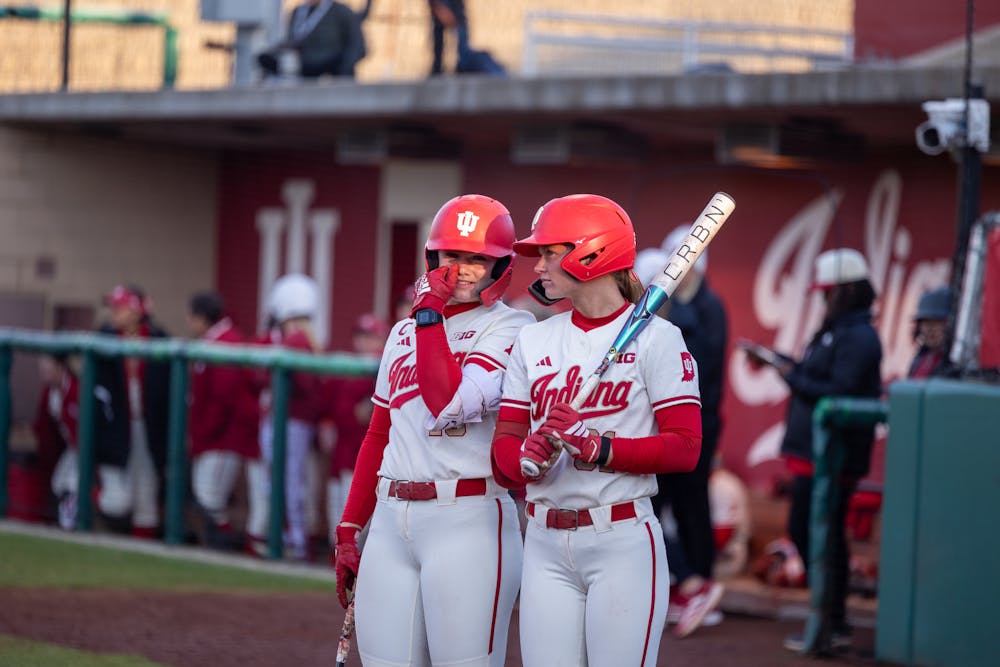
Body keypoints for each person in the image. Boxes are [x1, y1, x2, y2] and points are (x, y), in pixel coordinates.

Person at [490, 194, 703, 666]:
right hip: (543, 540)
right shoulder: (534, 338)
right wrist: (526, 457)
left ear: (591, 252)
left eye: (549, 252)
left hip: (621, 537)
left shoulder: (659, 339)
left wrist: (599, 448)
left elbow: (685, 449)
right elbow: (503, 452)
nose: (539, 266)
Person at [333, 194, 533, 667]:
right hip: (390, 518)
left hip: (467, 516)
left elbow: (447, 403)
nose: (461, 268)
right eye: (451, 255)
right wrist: (348, 528)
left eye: (476, 259)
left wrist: (429, 314)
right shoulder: (403, 333)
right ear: (432, 257)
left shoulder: (512, 327)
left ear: (500, 265)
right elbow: (378, 434)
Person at [743, 248, 882, 652]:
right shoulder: (834, 329)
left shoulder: (859, 336)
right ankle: (828, 619)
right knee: (813, 536)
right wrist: (780, 363)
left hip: (833, 458)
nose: (822, 300)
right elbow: (814, 376)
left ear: (846, 291)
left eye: (827, 293)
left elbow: (837, 394)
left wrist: (789, 374)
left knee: (820, 537)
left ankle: (832, 622)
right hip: (811, 456)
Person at [638, 225, 730, 638]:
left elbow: (697, 372)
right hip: (671, 421)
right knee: (666, 507)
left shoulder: (703, 309)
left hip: (692, 422)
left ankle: (697, 584)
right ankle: (687, 585)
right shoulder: (685, 309)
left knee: (685, 507)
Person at [93, 284, 171, 538]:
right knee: (118, 500)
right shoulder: (104, 340)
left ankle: (142, 559)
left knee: (146, 497)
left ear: (137, 311)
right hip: (115, 428)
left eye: (121, 307)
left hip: (148, 427)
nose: (114, 312)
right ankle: (85, 494)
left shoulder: (159, 340)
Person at [257, 274, 324, 560]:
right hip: (296, 421)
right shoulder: (304, 337)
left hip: (292, 421)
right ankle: (292, 538)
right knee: (288, 481)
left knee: (287, 482)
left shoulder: (296, 339)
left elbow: (301, 384)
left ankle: (293, 540)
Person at [186, 291, 260, 550]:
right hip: (213, 435)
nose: (189, 322)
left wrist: (202, 433)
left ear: (203, 317)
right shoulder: (213, 340)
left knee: (209, 496)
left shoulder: (227, 341)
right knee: (205, 494)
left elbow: (224, 398)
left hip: (224, 437)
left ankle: (225, 545)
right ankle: (220, 542)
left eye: (192, 317)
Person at [320, 312, 388, 555]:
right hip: (342, 448)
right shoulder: (346, 366)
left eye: (371, 336)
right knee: (336, 508)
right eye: (361, 336)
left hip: (365, 450)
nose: (365, 342)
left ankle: (357, 559)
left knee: (359, 514)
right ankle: (337, 557)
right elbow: (328, 406)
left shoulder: (384, 363)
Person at [257, 0, 371, 80]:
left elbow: (356, 45)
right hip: (305, 66)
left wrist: (345, 67)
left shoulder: (341, 12)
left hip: (332, 66)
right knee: (265, 59)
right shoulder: (298, 12)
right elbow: (292, 40)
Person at [36, 355, 80, 530]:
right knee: (58, 483)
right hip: (71, 448)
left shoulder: (76, 389)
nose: (44, 374)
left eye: (48, 370)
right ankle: (65, 522)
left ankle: (70, 525)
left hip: (85, 449)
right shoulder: (49, 393)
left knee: (72, 483)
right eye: (42, 371)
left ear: (61, 368)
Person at [908, 286, 953, 378]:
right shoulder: (921, 358)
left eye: (935, 323)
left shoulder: (954, 364)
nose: (928, 329)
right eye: (925, 323)